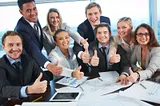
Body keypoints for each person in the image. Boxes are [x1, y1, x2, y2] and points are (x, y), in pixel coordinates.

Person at [14, 0, 63, 76]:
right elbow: (33, 50)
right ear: (21, 12)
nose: (33, 13)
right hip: (26, 70)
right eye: (28, 10)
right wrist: (49, 66)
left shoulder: (35, 19)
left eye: (34, 9)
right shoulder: (21, 30)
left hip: (37, 64)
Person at [0, 31, 49, 105]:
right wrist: (28, 89)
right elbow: (4, 90)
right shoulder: (1, 64)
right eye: (10, 45)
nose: (15, 48)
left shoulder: (29, 60)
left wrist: (33, 88)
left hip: (30, 101)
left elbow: (44, 78)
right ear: (3, 47)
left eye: (18, 44)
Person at [73, 2, 111, 73]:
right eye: (90, 14)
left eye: (96, 13)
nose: (93, 17)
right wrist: (82, 55)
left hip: (105, 56)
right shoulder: (82, 28)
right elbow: (77, 46)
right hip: (89, 58)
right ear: (86, 15)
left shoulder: (106, 20)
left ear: (100, 13)